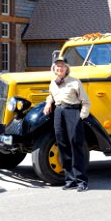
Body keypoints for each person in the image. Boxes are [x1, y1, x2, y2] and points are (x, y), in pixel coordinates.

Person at [43, 55, 91, 192]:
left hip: (72, 112)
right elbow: (51, 95)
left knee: (76, 144)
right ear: (54, 68)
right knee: (62, 144)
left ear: (66, 68)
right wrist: (48, 103)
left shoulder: (75, 82)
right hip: (59, 112)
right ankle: (70, 180)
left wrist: (81, 117)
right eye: (57, 66)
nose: (60, 68)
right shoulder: (53, 83)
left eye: (62, 66)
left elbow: (86, 101)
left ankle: (82, 181)